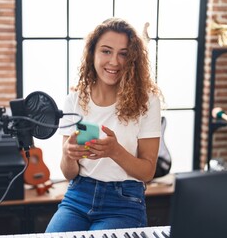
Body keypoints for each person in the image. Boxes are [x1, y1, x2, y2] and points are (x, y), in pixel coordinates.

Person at [45, 17, 163, 233]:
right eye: (106, 51)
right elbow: (69, 173)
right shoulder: (75, 99)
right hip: (78, 196)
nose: (114, 61)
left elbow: (147, 172)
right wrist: (68, 155)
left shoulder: (147, 101)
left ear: (133, 58)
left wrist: (115, 151)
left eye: (123, 54)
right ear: (93, 54)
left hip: (124, 201)